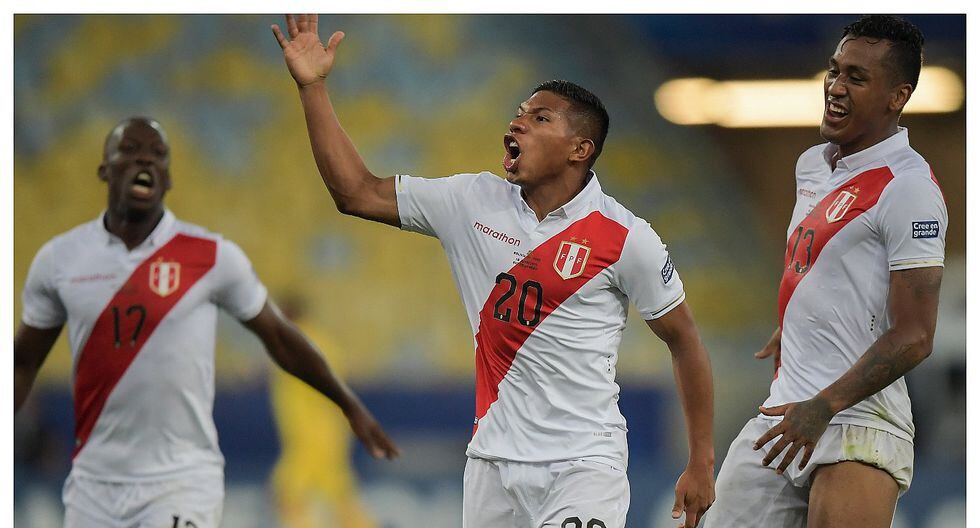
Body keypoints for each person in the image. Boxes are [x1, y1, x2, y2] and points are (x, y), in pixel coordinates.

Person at [272, 14, 715, 528]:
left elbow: (684, 340)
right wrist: (313, 88)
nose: (518, 123)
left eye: (540, 118)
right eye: (519, 113)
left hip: (583, 465)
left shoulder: (626, 237)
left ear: (580, 149)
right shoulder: (472, 201)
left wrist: (701, 461)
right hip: (491, 467)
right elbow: (356, 193)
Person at [13, 117, 400, 528]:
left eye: (158, 154)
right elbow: (22, 363)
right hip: (93, 485)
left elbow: (280, 340)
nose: (145, 160)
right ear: (104, 170)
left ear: (168, 178)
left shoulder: (212, 257)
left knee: (310, 504)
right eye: (130, 151)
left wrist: (349, 405)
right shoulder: (60, 260)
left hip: (182, 481)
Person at [705, 15, 946, 528]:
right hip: (785, 412)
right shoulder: (812, 165)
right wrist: (802, 322)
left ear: (897, 96)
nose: (835, 87)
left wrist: (825, 404)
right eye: (834, 71)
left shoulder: (909, 188)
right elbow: (830, 268)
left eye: (856, 78)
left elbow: (916, 336)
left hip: (858, 422)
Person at [270, 293, 378, 528]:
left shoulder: (296, 344)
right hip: (326, 435)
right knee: (339, 499)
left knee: (291, 493)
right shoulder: (319, 341)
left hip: (311, 439)